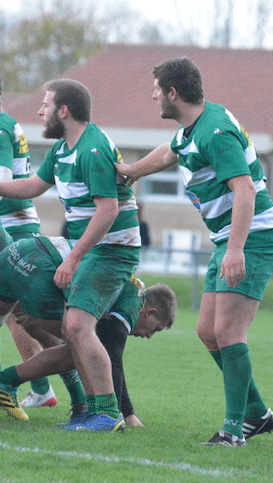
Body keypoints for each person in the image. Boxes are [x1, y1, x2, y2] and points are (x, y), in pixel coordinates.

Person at [116, 57, 273, 446]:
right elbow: (168, 153)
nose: (154, 95)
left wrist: (236, 249)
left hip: (253, 238)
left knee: (228, 330)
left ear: (173, 93)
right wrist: (131, 171)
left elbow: (244, 190)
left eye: (158, 89)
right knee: (207, 331)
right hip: (227, 238)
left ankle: (234, 430)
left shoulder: (215, 131)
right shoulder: (193, 127)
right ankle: (257, 413)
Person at [0, 79, 141, 432]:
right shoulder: (64, 149)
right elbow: (32, 186)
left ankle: (107, 414)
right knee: (71, 327)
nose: (39, 111)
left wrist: (73, 257)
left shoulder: (92, 149)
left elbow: (108, 211)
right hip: (94, 249)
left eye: (45, 105)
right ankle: (91, 408)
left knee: (77, 326)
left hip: (112, 251)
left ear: (64, 111)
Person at [0, 236, 176, 426]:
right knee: (80, 346)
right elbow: (114, 358)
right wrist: (128, 413)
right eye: (155, 329)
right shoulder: (135, 299)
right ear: (150, 313)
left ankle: (78, 405)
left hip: (17, 251)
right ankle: (87, 409)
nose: (149, 336)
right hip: (40, 265)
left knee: (78, 342)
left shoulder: (124, 286)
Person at [0, 72, 59, 409]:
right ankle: (42, 388)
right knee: (19, 314)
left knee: (21, 313)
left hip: (12, 226)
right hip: (18, 224)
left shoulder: (1, 128)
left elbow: (3, 179)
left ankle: (45, 387)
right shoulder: (7, 124)